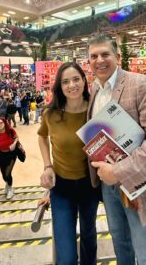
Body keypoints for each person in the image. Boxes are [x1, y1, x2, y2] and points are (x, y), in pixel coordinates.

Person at [87, 34, 146, 265]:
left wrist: (118, 172)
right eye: (93, 56)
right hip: (109, 189)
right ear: (88, 61)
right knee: (122, 248)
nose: (99, 60)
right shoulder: (94, 91)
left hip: (142, 186)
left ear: (117, 57)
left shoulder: (140, 84)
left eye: (105, 54)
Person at [38, 62, 100, 265]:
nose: (72, 85)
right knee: (65, 253)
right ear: (59, 86)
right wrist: (48, 166)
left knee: (89, 234)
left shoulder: (96, 110)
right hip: (62, 188)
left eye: (76, 79)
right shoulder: (51, 113)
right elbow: (42, 137)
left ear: (84, 80)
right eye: (65, 81)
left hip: (89, 185)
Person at [0, 118, 19, 199]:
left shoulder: (10, 131)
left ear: (4, 123)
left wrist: (14, 143)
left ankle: (10, 189)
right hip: (2, 154)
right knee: (3, 174)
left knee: (8, 173)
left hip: (12, 154)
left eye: (1, 123)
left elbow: (17, 137)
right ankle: (7, 183)